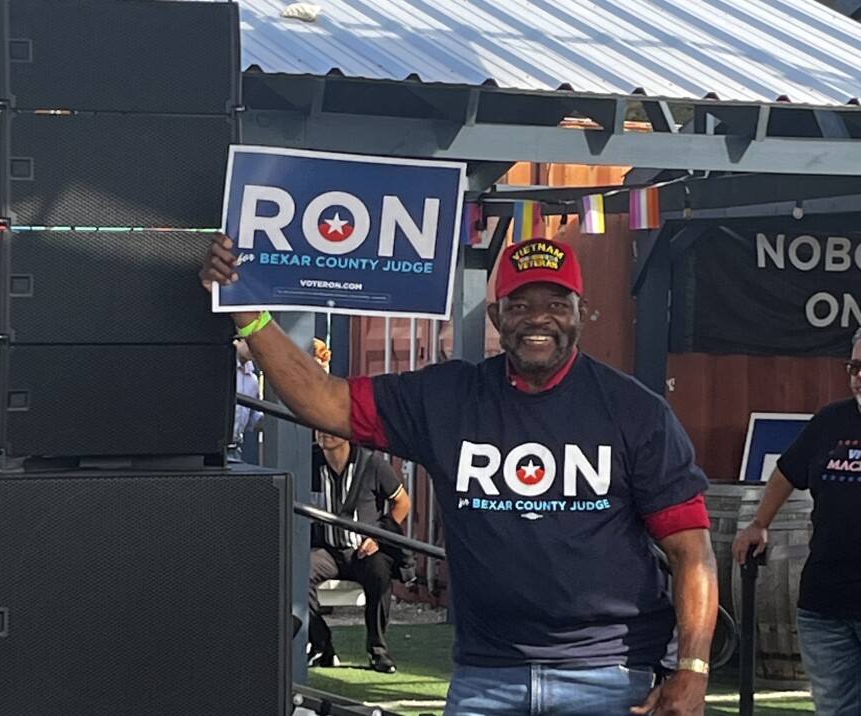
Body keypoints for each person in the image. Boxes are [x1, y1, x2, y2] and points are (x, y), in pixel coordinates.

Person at [202, 234, 717, 715]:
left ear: (583, 314)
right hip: (487, 675)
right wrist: (245, 311)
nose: (539, 319)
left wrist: (692, 669)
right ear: (496, 315)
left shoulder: (635, 412)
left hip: (611, 674)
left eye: (557, 304)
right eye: (520, 305)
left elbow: (690, 550)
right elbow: (327, 400)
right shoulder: (447, 398)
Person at [733, 328, 861, 716]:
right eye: (855, 367)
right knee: (836, 709)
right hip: (825, 605)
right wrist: (760, 522)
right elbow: (787, 471)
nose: (859, 377)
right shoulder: (831, 421)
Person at [308, 429, 412, 674]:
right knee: (296, 570)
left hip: (362, 552)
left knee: (379, 574)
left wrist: (377, 536)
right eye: (318, 427)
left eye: (329, 427)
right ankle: (321, 642)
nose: (323, 433)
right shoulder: (311, 461)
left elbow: (403, 502)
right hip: (327, 551)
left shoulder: (373, 464)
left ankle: (378, 650)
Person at [230, 337, 263, 461]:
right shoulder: (221, 370)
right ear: (237, 340)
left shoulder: (252, 380)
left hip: (235, 449)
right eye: (250, 342)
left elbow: (252, 420)